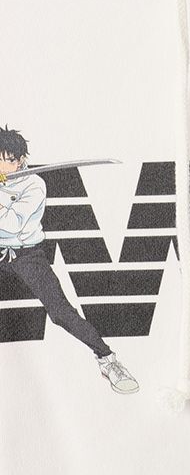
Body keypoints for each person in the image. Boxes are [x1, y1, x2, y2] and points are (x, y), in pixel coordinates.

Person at [0, 125, 139, 395]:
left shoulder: (34, 185)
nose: (3, 165)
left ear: (21, 160)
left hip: (26, 255)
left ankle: (107, 359)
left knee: (60, 312)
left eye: (9, 160)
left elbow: (12, 225)